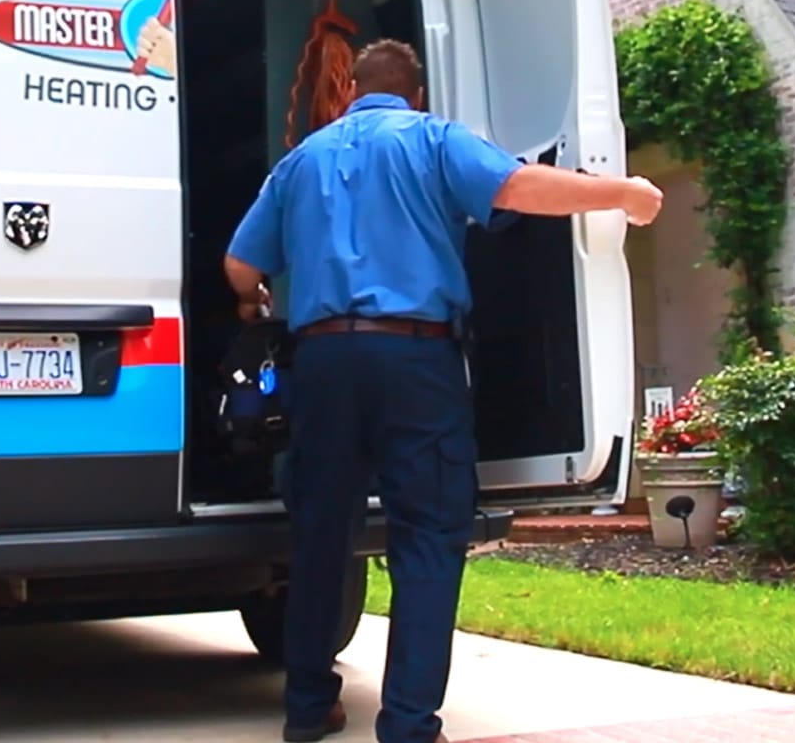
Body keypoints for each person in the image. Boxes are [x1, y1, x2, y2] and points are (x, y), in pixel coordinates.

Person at [223, 39, 662, 743]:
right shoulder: (433, 139)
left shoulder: (301, 162)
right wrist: (624, 194)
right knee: (427, 537)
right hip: (415, 359)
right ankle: (408, 726)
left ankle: (308, 710)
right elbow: (519, 188)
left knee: (320, 534)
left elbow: (241, 265)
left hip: (324, 362)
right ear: (415, 94)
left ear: (348, 95)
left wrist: (256, 302)